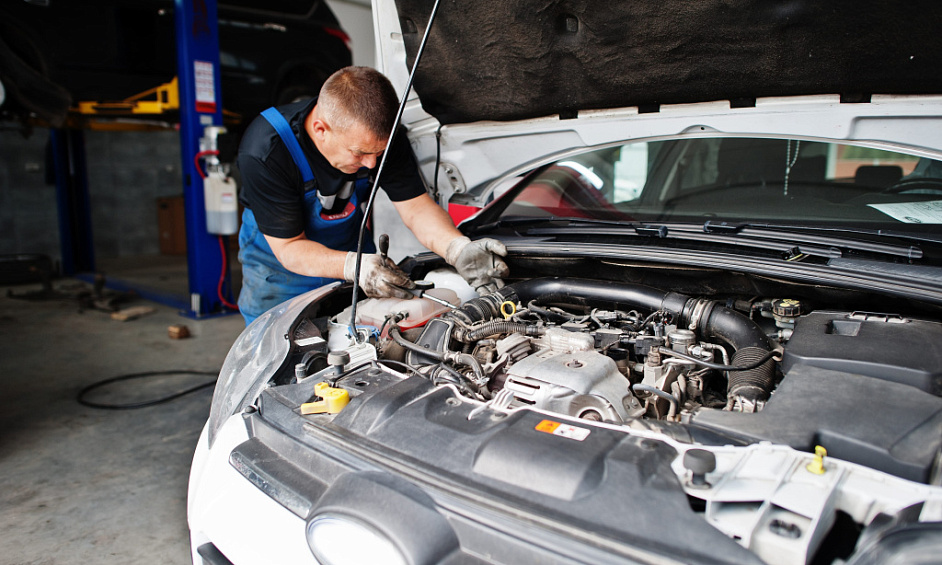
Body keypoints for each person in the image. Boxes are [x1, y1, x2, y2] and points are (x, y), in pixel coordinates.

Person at [236, 66, 508, 325]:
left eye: (379, 154)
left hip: (355, 259)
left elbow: (416, 208)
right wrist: (355, 266)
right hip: (280, 273)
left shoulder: (381, 137)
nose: (371, 165)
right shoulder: (266, 151)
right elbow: (289, 248)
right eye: (359, 153)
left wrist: (456, 248)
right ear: (321, 129)